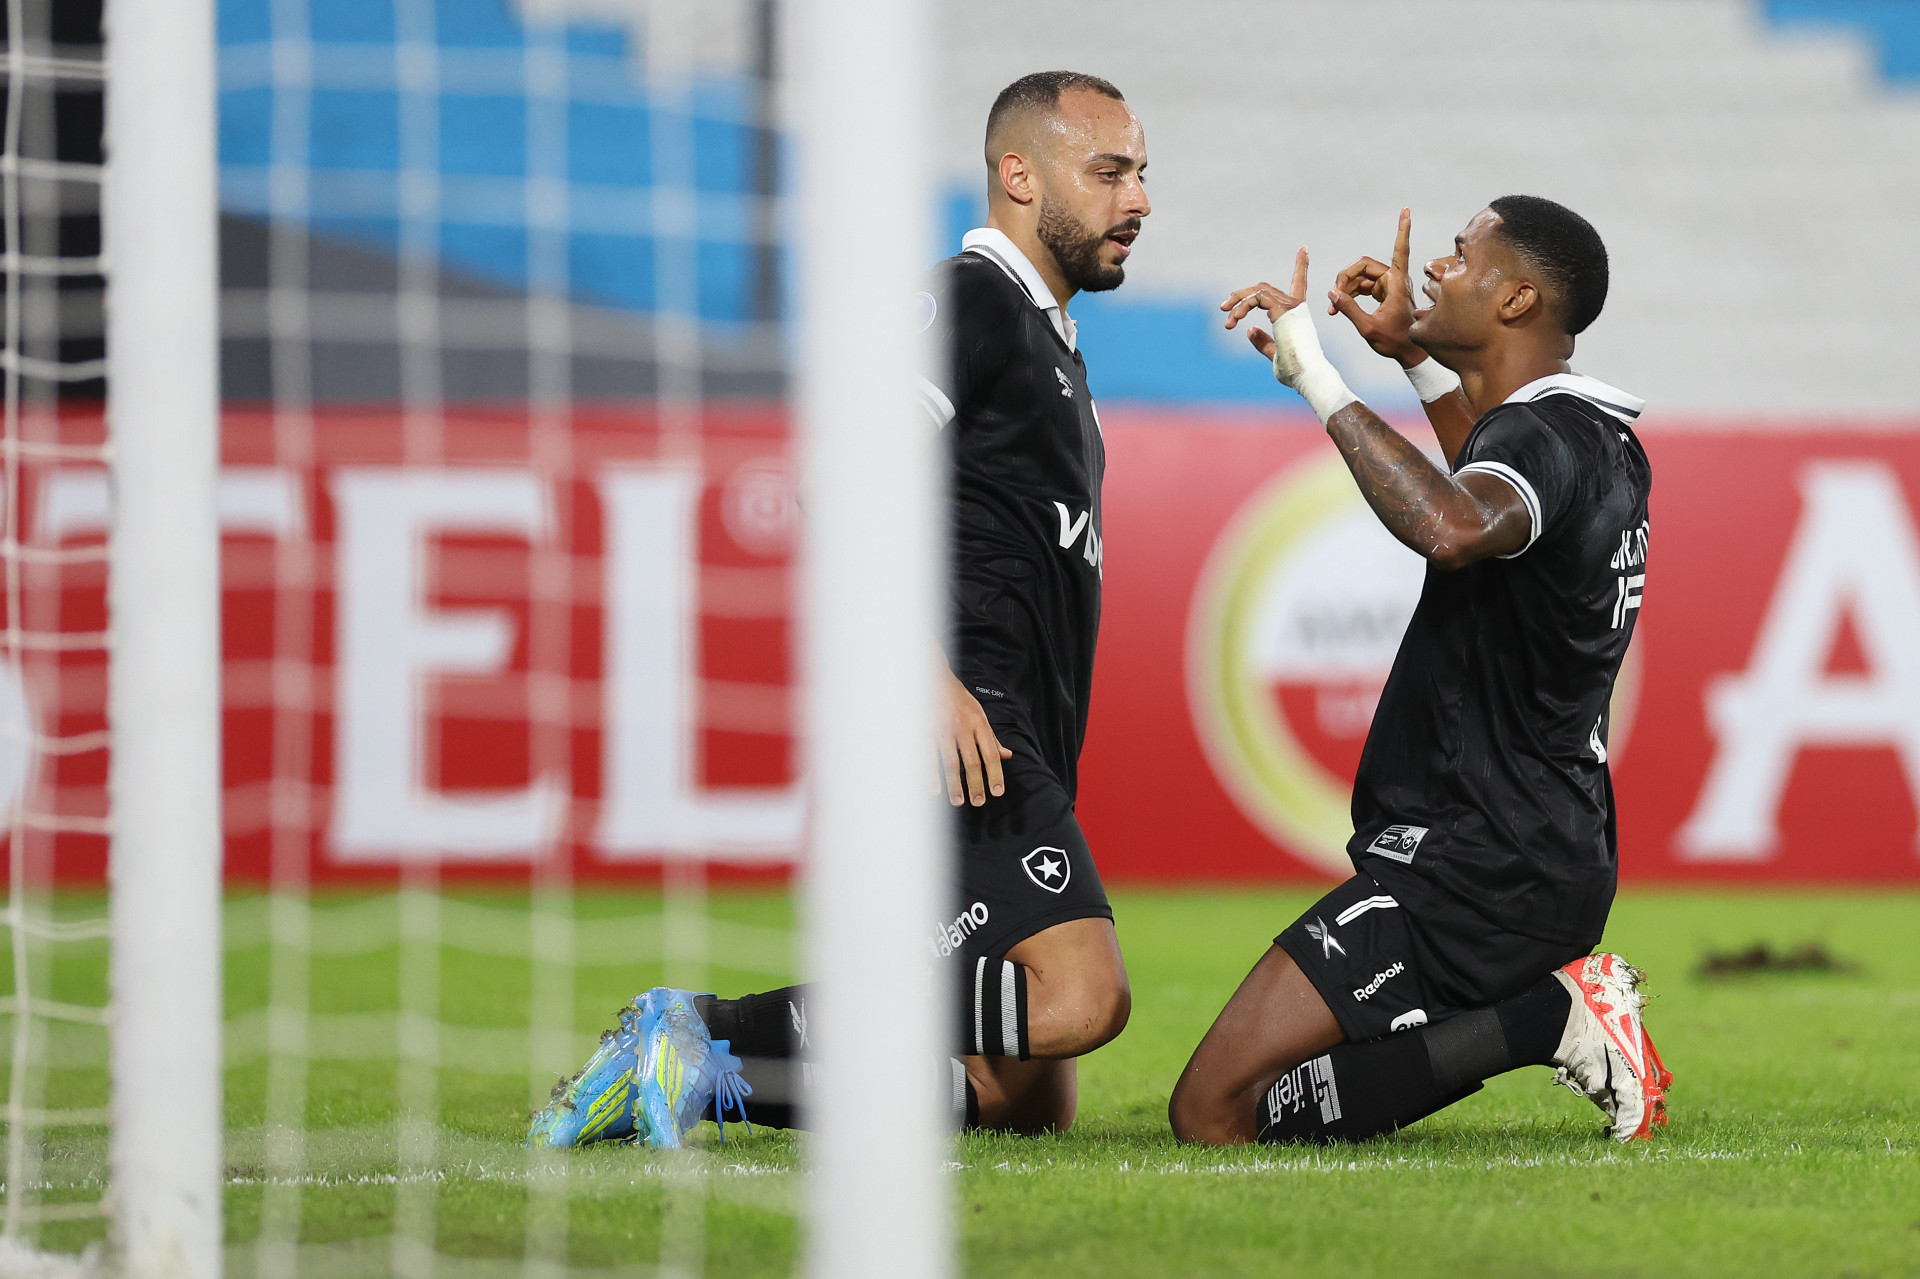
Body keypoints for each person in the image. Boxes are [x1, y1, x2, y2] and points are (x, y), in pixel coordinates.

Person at [531, 70, 1150, 1147]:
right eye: (1108, 173)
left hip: (1009, 733)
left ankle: (697, 1074)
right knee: (1081, 998)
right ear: (1018, 175)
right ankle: (693, 1026)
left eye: (1141, 173)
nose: (1137, 198)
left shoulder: (1049, 341)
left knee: (1024, 1092)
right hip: (962, 721)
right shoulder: (971, 298)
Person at [1166, 197, 1670, 1146]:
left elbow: (1450, 524)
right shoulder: (1586, 434)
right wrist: (1411, 355)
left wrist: (1316, 373)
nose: (1437, 268)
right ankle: (1543, 1016)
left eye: (1462, 255)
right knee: (1251, 1106)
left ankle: (1550, 1019)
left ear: (1517, 296)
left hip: (1474, 860)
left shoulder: (1541, 439)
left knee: (1211, 1113)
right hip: (1530, 848)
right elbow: (1478, 490)